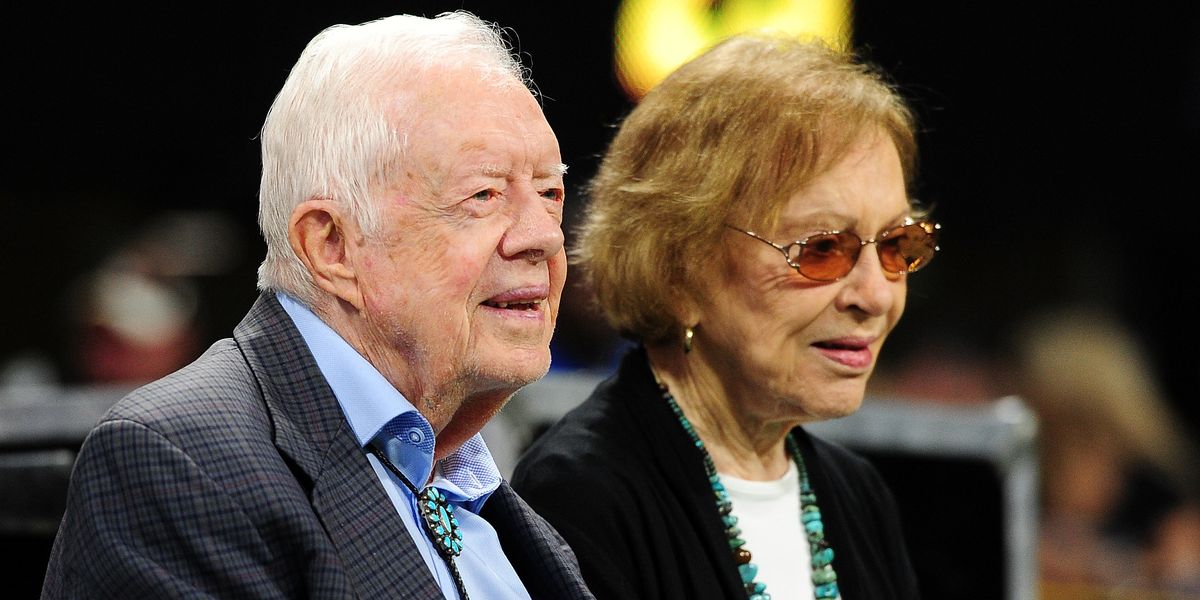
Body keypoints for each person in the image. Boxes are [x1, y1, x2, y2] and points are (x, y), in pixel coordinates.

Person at [42, 12, 593, 600]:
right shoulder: (177, 463)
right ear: (332, 246)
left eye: (549, 192)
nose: (543, 238)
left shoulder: (499, 507)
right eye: (483, 195)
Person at [512, 32, 937, 599]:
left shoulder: (856, 495)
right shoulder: (580, 497)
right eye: (821, 249)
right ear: (680, 269)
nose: (876, 297)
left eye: (895, 246)